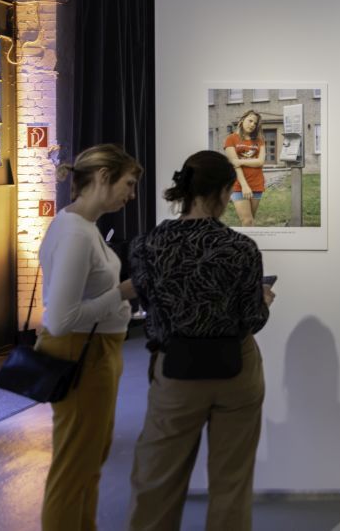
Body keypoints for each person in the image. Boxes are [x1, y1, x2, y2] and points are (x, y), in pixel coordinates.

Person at [127, 150, 274, 530]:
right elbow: (253, 320)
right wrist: (262, 299)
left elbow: (149, 308)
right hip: (235, 370)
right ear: (226, 192)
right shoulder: (241, 249)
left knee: (156, 481)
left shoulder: (148, 245)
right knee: (231, 485)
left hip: (176, 370)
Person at [36, 144, 142, 531]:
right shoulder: (76, 233)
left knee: (88, 463)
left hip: (95, 353)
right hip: (81, 353)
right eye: (128, 184)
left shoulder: (81, 227)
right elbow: (62, 319)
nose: (131, 195)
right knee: (73, 469)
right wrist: (124, 292)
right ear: (102, 177)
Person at [224, 109, 265, 227]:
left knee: (250, 220)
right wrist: (244, 185)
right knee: (247, 221)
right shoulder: (231, 139)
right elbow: (234, 165)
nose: (252, 124)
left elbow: (260, 162)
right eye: (250, 121)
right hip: (238, 184)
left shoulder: (259, 140)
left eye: (255, 123)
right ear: (242, 120)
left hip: (257, 183)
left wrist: (240, 161)